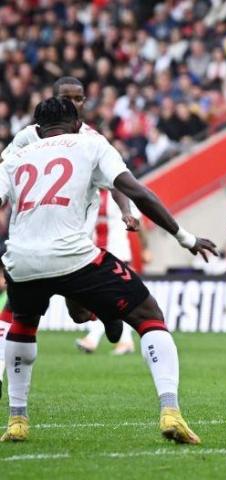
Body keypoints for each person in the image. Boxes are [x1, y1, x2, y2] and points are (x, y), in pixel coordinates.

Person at [0, 98, 217, 443]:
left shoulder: (16, 156)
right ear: (76, 123)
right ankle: (170, 411)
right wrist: (184, 237)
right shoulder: (91, 142)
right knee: (149, 314)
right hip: (73, 255)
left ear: (38, 130)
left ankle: (17, 420)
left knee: (23, 323)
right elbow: (136, 191)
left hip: (22, 260)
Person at [0, 77, 138, 374]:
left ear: (84, 102)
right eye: (67, 98)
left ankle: (105, 318)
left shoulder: (93, 141)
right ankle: (6, 378)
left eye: (79, 98)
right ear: (55, 100)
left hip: (75, 245)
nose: (74, 104)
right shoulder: (27, 137)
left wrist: (125, 211)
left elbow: (117, 181)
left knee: (78, 313)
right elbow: (5, 169)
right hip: (31, 240)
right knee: (16, 310)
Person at [74, 189, 139, 355]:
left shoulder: (121, 193)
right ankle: (123, 341)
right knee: (104, 299)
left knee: (111, 300)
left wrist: (144, 248)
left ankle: (95, 339)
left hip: (118, 254)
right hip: (96, 253)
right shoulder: (90, 192)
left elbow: (137, 221)